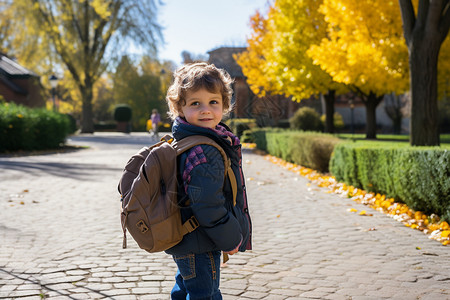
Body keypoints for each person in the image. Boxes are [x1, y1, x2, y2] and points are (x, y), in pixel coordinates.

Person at [165, 62, 252, 299]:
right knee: (206, 294)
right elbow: (207, 205)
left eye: (213, 102)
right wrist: (230, 239)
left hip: (188, 239)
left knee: (186, 289)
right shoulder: (205, 150)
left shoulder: (188, 139)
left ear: (224, 105)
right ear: (180, 109)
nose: (206, 110)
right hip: (200, 242)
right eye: (196, 103)